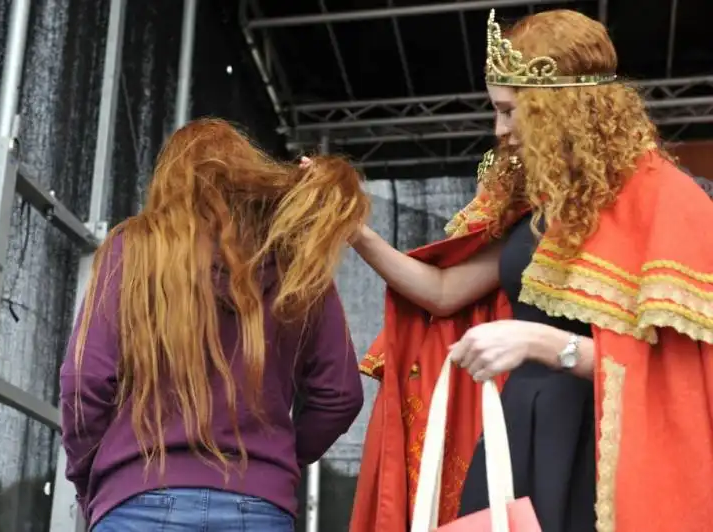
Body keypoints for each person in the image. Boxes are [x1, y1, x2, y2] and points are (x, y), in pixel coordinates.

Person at [350, 8, 713, 532]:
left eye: (510, 111)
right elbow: (442, 290)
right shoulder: (539, 206)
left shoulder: (670, 204)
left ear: (560, 109)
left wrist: (544, 345)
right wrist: (357, 233)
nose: (499, 130)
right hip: (519, 429)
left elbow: (680, 375)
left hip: (604, 452)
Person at [60, 118, 369, 531]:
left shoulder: (131, 249)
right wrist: (273, 459)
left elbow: (84, 381)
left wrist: (90, 478)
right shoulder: (295, 262)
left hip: (136, 501)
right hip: (259, 508)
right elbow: (341, 394)